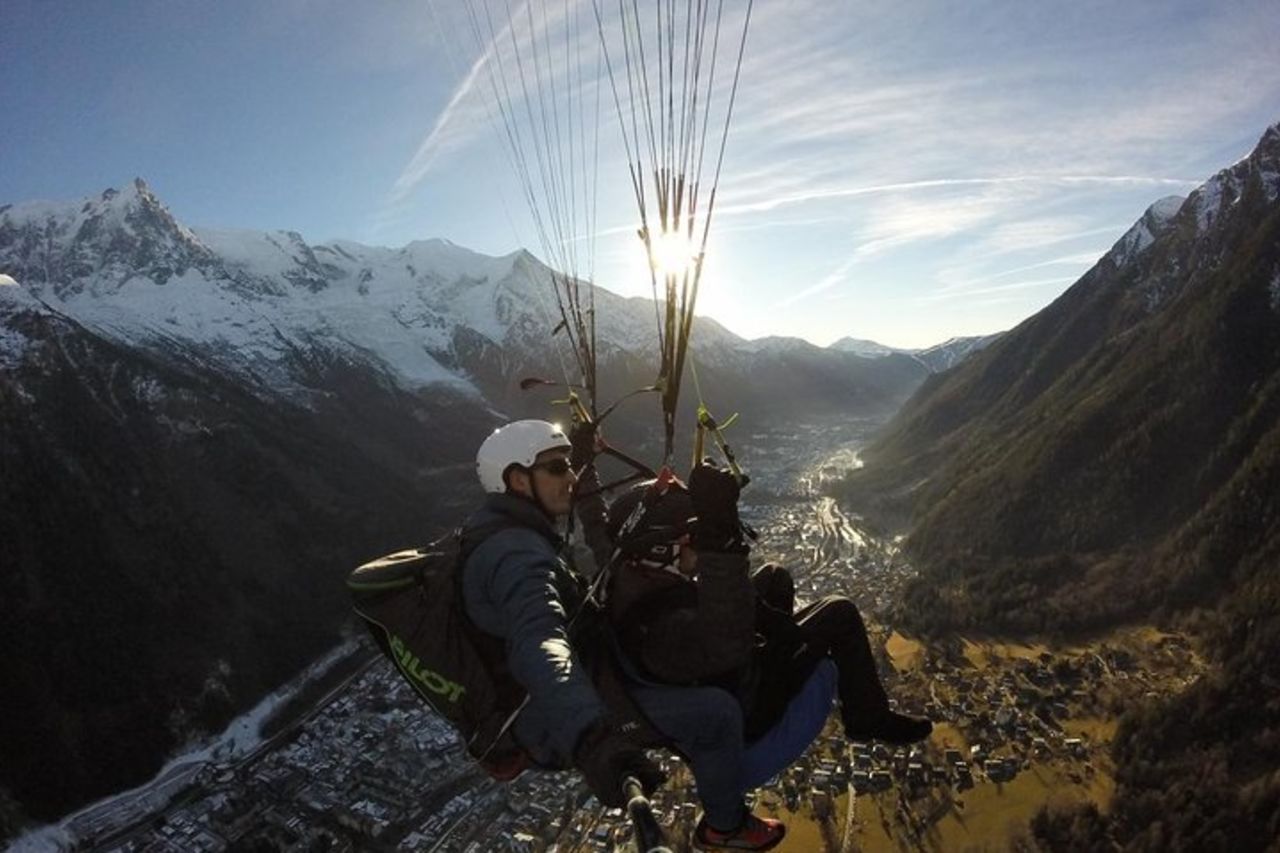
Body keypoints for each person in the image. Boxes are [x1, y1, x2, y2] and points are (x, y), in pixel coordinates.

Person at [461, 420, 786, 851]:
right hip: (556, 714)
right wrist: (591, 738)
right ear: (518, 480)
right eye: (558, 468)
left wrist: (584, 460)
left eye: (569, 466)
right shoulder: (517, 557)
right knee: (716, 712)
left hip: (580, 677)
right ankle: (726, 827)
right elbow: (538, 644)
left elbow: (604, 536)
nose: (570, 477)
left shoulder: (511, 534)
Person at [605, 472, 933, 754]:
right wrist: (723, 542)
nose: (700, 544)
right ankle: (867, 717)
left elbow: (603, 530)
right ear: (661, 549)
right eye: (693, 537)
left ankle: (787, 652)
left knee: (774, 575)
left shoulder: (631, 574)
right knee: (840, 612)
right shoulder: (667, 630)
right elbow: (726, 641)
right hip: (745, 707)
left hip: (718, 669)